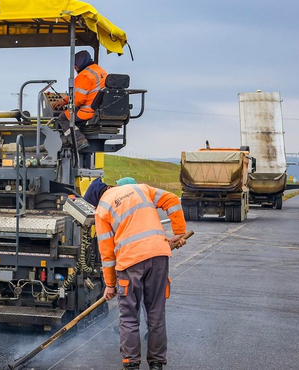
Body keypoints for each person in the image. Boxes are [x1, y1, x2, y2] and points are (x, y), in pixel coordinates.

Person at [83, 178, 187, 370]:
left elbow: (107, 255)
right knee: (156, 312)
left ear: (96, 200)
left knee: (129, 316)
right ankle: (156, 364)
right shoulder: (141, 189)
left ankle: (131, 364)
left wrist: (110, 285)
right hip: (158, 255)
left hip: (130, 263)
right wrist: (179, 232)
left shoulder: (102, 209)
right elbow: (172, 199)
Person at [52, 50, 108, 151]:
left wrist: (67, 105)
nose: (74, 67)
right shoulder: (100, 71)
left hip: (88, 112)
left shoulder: (85, 75)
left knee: (62, 118)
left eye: (75, 64)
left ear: (81, 62)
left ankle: (79, 140)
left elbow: (78, 100)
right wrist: (64, 101)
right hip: (100, 110)